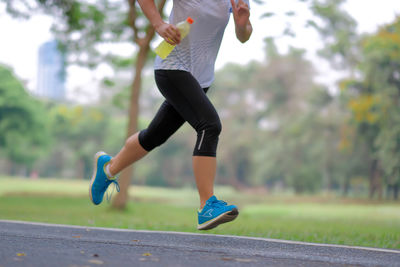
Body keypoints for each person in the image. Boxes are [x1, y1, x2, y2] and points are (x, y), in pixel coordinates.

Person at [89, 0, 252, 230]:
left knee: (155, 136)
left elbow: (244, 36)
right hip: (172, 67)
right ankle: (207, 205)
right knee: (209, 125)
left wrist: (242, 24)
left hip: (201, 79)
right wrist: (159, 24)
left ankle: (108, 168)